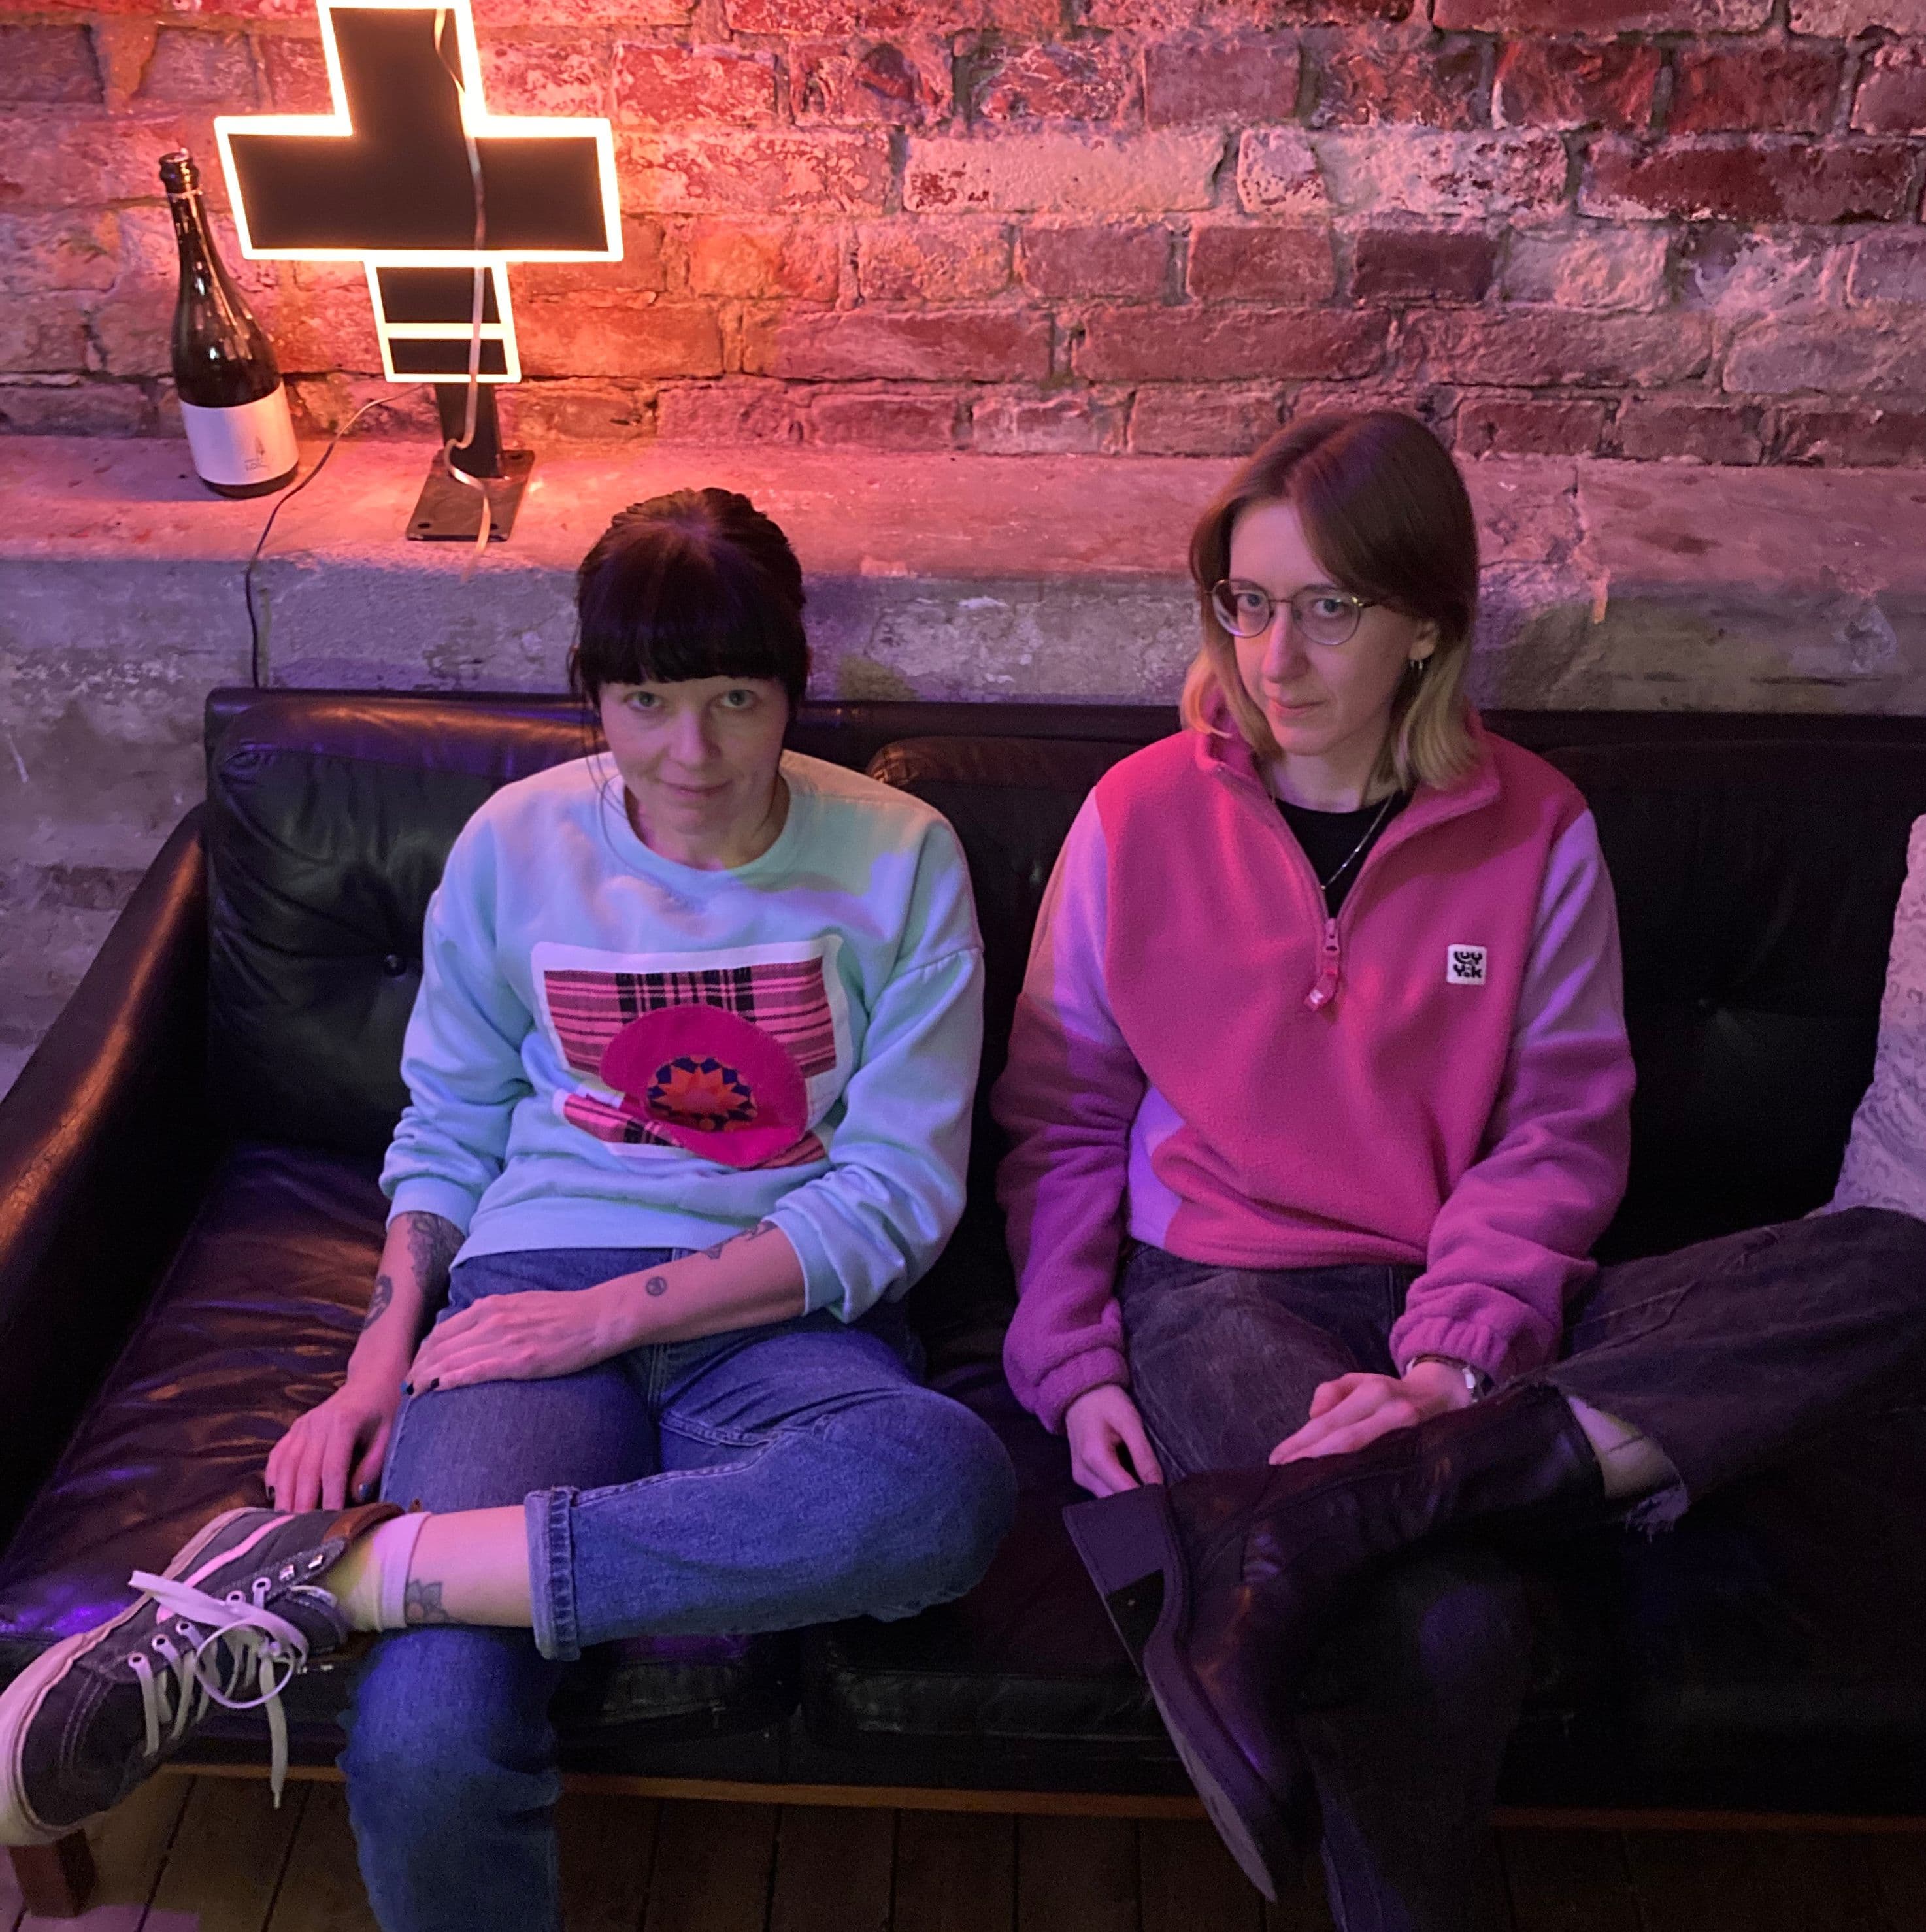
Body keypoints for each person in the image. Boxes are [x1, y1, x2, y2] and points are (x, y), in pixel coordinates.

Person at [0, 488, 1018, 1932]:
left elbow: (899, 1193)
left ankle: (355, 1576)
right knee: (428, 1734)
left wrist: (610, 1317)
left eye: (737, 699)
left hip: (780, 1305)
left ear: (795, 685)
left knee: (941, 1487)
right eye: (647, 702)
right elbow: (449, 1125)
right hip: (524, 1283)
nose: (693, 753)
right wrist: (377, 1361)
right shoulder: (514, 842)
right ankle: (381, 1580)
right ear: (592, 692)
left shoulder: (899, 854)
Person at [992, 410, 1926, 1929]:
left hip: (1466, 1298)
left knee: (1892, 1265)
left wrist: (1451, 1364)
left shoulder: (1535, 826)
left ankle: (1369, 1494)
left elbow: (1560, 1127)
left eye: (1328, 606)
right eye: (1248, 601)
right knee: (1452, 1616)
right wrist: (1071, 1354)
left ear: (1426, 623)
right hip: (1221, 1295)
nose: (1275, 655)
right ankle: (1428, 1507)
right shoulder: (1136, 816)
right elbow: (1063, 1117)